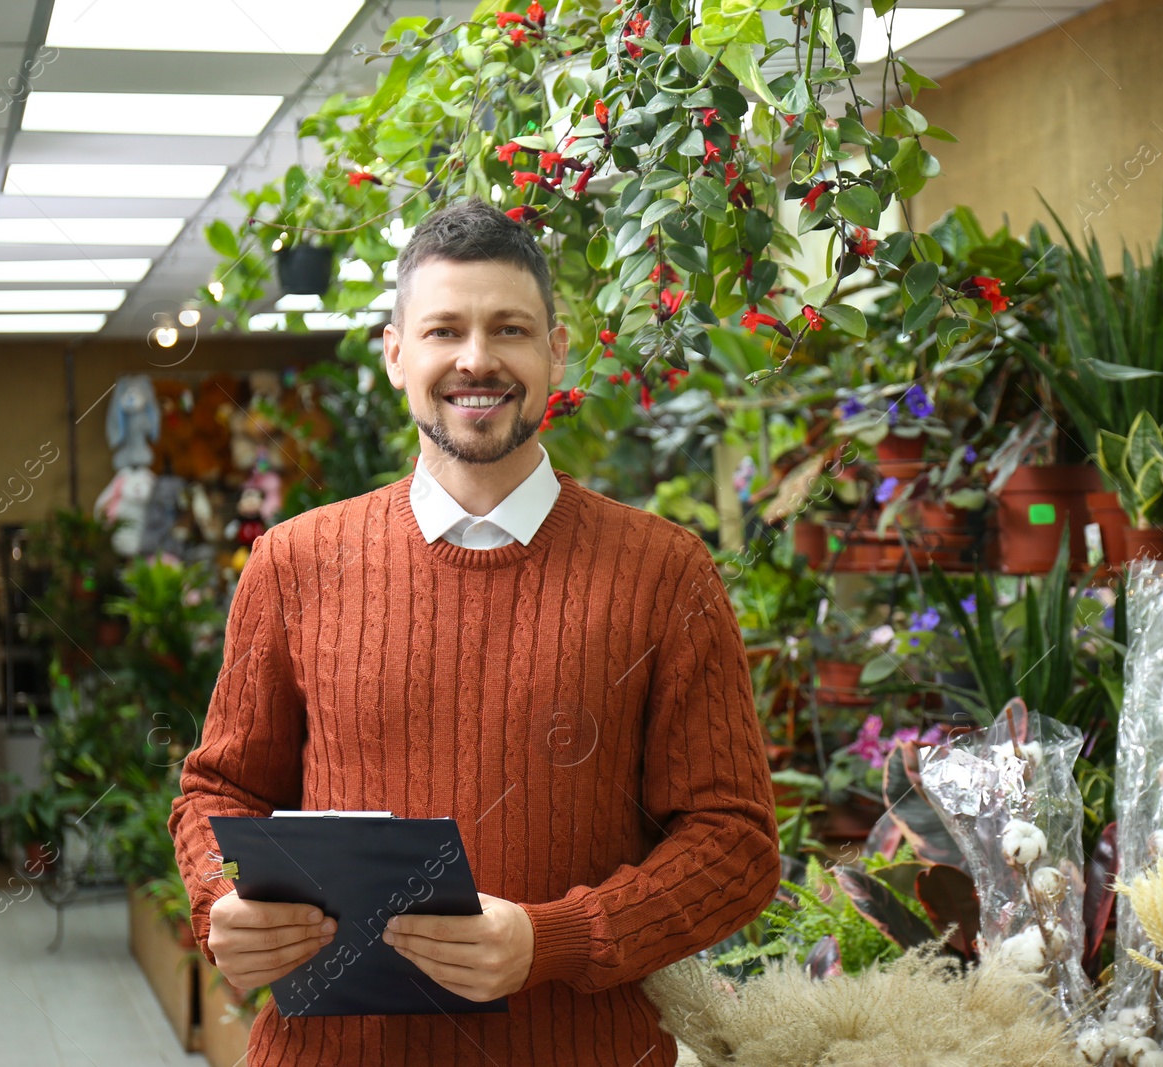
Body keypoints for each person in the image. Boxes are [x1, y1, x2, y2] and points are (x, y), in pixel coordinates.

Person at [169, 199, 780, 1066]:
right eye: (444, 329)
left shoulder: (664, 571)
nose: (477, 359)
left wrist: (555, 937)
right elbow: (218, 789)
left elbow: (736, 843)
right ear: (394, 353)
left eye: (510, 329)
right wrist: (220, 901)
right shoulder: (293, 560)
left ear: (556, 351)